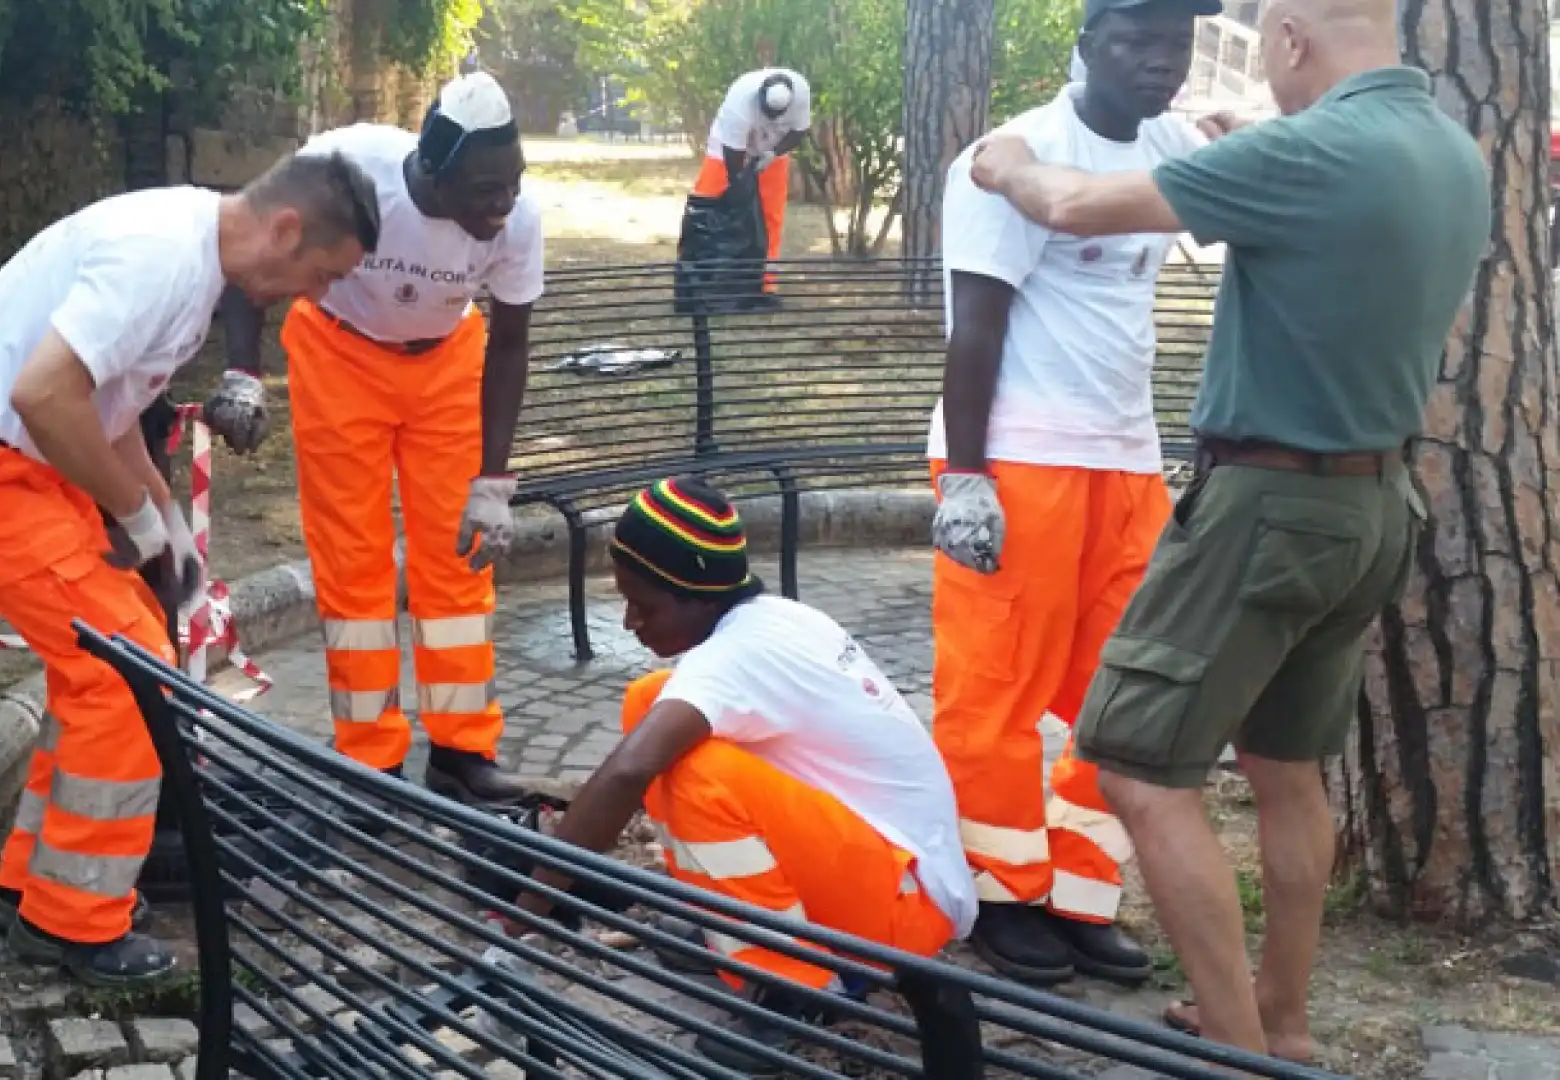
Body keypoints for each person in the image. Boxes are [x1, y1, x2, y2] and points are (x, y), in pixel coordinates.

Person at [969, 0, 1489, 1059]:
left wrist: (1005, 163)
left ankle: (1236, 1046)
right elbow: (1299, 187)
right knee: (1286, 772)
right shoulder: (1449, 149)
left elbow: (1068, 203)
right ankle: (1282, 1021)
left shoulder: (1311, 151)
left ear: (1291, 37)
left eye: (1264, 49)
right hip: (1375, 507)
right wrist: (1239, 147)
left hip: (1268, 511)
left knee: (1137, 771)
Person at [0, 152, 380, 986]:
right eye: (320, 275)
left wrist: (169, 539)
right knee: (125, 675)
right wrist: (142, 519)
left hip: (10, 462)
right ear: (286, 228)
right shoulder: (159, 256)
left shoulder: (193, 265)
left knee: (109, 667)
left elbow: (107, 417)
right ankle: (73, 925)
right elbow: (48, 395)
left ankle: (34, 892)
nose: (315, 298)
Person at [927, 0, 1218, 989]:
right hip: (1018, 456)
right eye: (1135, 40)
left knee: (1121, 691)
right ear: (1085, 42)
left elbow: (1233, 161)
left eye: (1173, 44)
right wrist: (966, 479)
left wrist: (1228, 126)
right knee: (997, 684)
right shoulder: (1012, 154)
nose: (1157, 62)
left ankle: (1081, 892)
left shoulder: (1170, 141)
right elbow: (975, 326)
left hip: (1128, 462)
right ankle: (1000, 891)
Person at [505, 478, 977, 1072]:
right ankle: (729, 930)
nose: (629, 623)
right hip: (886, 867)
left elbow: (628, 773)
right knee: (649, 701)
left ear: (698, 597)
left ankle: (794, 987)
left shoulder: (733, 659)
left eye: (644, 606)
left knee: (696, 773)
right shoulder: (772, 617)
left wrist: (527, 910)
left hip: (906, 907)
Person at [280, 72, 544, 804]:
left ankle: (462, 753)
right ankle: (369, 760)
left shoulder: (517, 221)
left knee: (458, 560)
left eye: (514, 182)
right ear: (433, 172)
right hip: (338, 354)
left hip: (445, 366)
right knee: (353, 563)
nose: (505, 203)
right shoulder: (349, 165)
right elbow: (253, 227)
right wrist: (241, 371)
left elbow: (511, 345)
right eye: (487, 189)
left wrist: (493, 483)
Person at [692, 67, 812, 303]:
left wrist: (773, 154)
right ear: (760, 98)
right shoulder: (741, 99)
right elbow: (733, 154)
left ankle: (764, 285)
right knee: (708, 208)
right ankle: (703, 281)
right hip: (726, 151)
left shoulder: (801, 92)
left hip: (771, 150)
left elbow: (799, 131)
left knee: (770, 217)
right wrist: (740, 185)